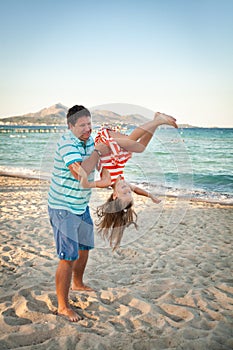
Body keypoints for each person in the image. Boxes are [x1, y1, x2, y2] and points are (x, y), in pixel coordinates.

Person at [73, 112, 178, 250]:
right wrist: (151, 196)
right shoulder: (122, 182)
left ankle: (158, 121)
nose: (127, 188)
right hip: (118, 151)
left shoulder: (107, 181)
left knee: (132, 142)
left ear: (115, 195)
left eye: (124, 192)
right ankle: (156, 121)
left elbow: (86, 184)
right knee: (140, 147)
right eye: (129, 191)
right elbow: (137, 190)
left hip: (106, 142)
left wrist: (81, 172)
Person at [48, 105, 108, 322]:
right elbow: (80, 173)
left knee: (84, 249)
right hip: (63, 207)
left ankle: (78, 283)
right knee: (68, 257)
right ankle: (63, 306)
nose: (87, 128)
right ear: (70, 126)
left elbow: (100, 160)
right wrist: (99, 151)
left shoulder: (90, 140)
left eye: (89, 123)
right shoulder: (67, 143)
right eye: (82, 125)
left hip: (81, 205)